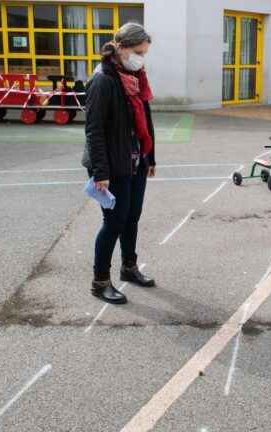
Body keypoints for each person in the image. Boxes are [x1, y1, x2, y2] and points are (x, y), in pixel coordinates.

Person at [82, 23, 156, 305]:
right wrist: (101, 172)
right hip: (112, 165)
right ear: (122, 48)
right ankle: (100, 282)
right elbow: (94, 130)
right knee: (113, 222)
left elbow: (144, 121)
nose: (141, 58)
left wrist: (150, 156)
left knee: (132, 217)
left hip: (135, 160)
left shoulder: (135, 74)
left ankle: (129, 267)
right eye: (138, 52)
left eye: (144, 53)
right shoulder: (103, 80)